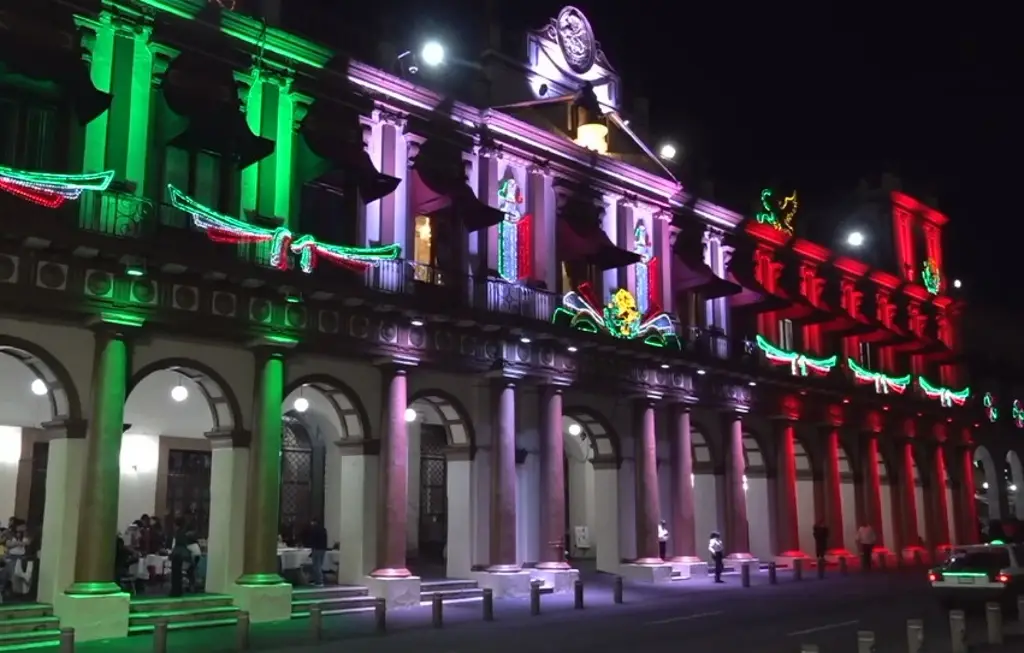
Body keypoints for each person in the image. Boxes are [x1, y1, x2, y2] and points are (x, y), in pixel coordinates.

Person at [303, 518, 328, 587]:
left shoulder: (314, 530)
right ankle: (317, 580)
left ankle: (319, 581)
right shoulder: (323, 529)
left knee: (316, 566)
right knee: (319, 565)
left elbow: (312, 540)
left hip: (316, 549)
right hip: (323, 549)